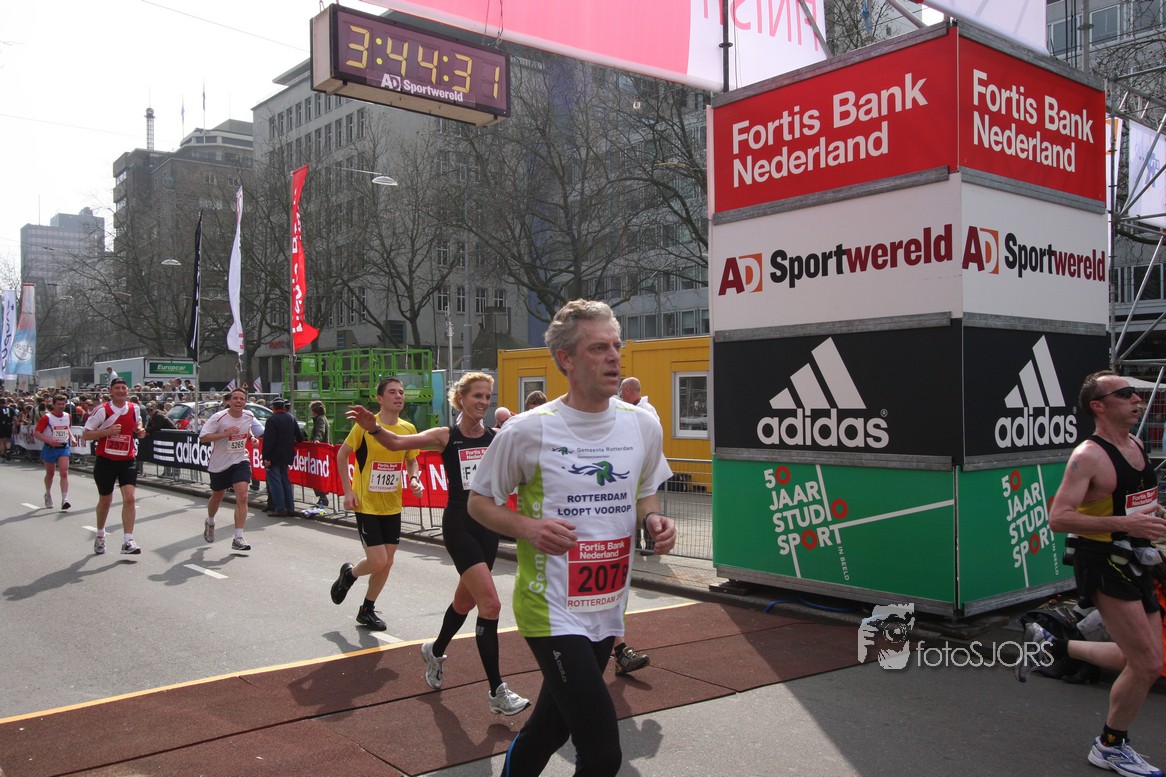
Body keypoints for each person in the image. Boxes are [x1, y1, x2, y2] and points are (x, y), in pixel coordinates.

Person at [468, 299, 677, 776]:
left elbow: (646, 493)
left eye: (616, 346)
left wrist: (653, 520)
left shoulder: (642, 424)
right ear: (565, 358)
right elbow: (479, 503)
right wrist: (528, 528)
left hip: (606, 604)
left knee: (549, 730)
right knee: (602, 753)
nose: (614, 357)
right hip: (551, 607)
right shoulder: (527, 431)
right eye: (598, 348)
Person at [347, 372, 530, 715]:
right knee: (490, 605)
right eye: (477, 396)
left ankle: (435, 650)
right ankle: (497, 692)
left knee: (465, 602)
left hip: (488, 527)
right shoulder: (447, 436)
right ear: (461, 399)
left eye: (487, 397)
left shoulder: (496, 437)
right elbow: (398, 443)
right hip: (460, 525)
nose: (483, 402)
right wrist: (373, 429)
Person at [1034, 370, 1166, 777]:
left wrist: (1153, 513)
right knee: (1147, 663)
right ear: (1099, 406)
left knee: (1143, 657)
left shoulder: (1137, 445)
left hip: (1136, 557)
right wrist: (1127, 524)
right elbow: (1058, 518)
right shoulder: (1088, 456)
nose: (1137, 399)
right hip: (1102, 561)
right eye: (1125, 394)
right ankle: (1110, 746)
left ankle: (1056, 645)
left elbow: (1130, 501)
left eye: (1136, 393)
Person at [329, 377, 424, 631]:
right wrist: (348, 491)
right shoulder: (366, 425)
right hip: (366, 503)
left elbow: (412, 459)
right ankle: (349, 574)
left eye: (401, 392)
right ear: (380, 399)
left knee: (387, 562)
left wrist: (414, 478)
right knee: (378, 560)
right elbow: (342, 454)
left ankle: (367, 610)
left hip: (392, 504)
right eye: (392, 392)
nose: (399, 396)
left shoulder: (408, 428)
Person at [82, 377, 147, 555]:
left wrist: (139, 430)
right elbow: (86, 434)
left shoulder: (134, 408)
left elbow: (137, 422)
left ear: (128, 391)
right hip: (106, 461)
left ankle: (128, 541)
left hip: (127, 459)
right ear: (110, 392)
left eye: (123, 388)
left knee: (130, 498)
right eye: (117, 388)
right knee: (106, 500)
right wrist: (107, 432)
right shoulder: (102, 410)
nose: (121, 391)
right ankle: (100, 535)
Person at [199, 387, 264, 551]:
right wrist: (224, 434)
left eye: (242, 399)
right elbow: (203, 437)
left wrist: (252, 438)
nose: (238, 401)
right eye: (235, 398)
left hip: (240, 459)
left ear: (245, 402)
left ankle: (238, 537)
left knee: (242, 496)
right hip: (219, 463)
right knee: (217, 495)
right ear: (229, 401)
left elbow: (247, 429)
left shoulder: (249, 415)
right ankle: (210, 521)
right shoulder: (219, 417)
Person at [263, 398, 304, 517]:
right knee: (285, 481)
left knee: (275, 482)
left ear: (273, 407)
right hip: (287, 455)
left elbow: (268, 441)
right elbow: (299, 437)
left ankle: (280, 508)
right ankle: (290, 508)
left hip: (273, 456)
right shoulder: (291, 418)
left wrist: (266, 457)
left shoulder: (272, 420)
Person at [34, 394, 75, 510]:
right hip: (50, 448)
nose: (61, 406)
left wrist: (72, 438)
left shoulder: (68, 416)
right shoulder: (47, 418)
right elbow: (36, 433)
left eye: (63, 404)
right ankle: (48, 494)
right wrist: (49, 441)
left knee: (64, 472)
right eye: (59, 404)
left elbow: (67, 428)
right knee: (50, 474)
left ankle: (65, 499)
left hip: (63, 447)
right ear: (53, 405)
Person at [309, 400, 332, 508]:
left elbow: (320, 430)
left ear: (314, 411)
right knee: (318, 475)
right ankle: (322, 498)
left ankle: (323, 498)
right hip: (322, 450)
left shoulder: (320, 419)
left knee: (318, 475)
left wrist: (317, 440)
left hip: (320, 451)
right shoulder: (322, 418)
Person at [0, 396, 17, 461]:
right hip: (9, 425)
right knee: (8, 440)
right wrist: (15, 427)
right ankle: (8, 450)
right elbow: (15, 418)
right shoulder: (11, 408)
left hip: (1, 425)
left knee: (1, 441)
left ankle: (2, 455)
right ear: (6, 402)